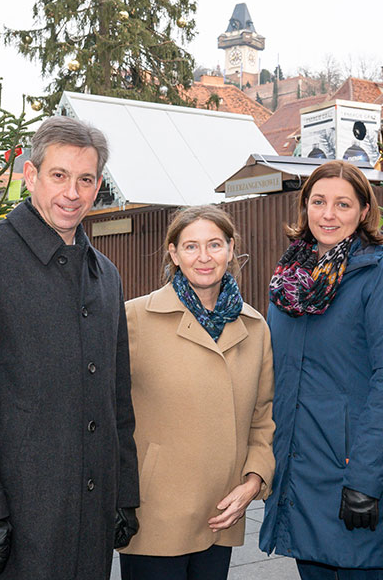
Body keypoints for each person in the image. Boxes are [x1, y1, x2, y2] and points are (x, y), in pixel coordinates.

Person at [0, 116, 140, 579]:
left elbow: (116, 399)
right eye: (59, 176)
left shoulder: (105, 275)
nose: (72, 192)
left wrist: (123, 493)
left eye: (85, 179)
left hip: (87, 513)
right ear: (31, 175)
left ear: (98, 185)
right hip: (9, 517)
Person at [259, 160, 383, 579]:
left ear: (364, 211)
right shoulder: (291, 279)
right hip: (299, 473)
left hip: (351, 476)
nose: (328, 214)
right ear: (304, 207)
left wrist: (365, 480)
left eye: (343, 204)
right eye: (319, 201)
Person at [118, 205, 275, 580]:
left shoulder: (255, 328)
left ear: (231, 248)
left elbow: (263, 417)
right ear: (173, 253)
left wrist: (253, 481)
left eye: (215, 244)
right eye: (191, 246)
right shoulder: (134, 320)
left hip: (220, 514)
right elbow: (107, 415)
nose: (204, 257)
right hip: (154, 517)